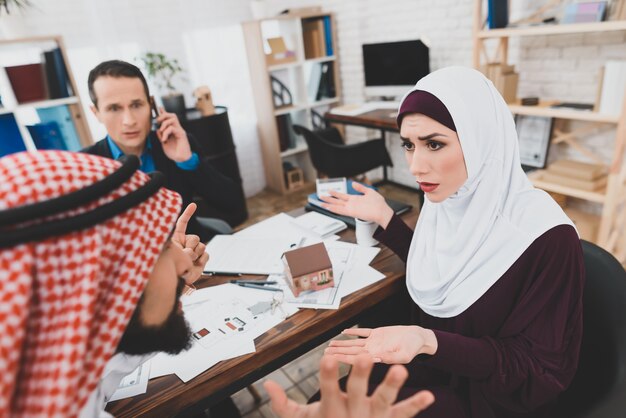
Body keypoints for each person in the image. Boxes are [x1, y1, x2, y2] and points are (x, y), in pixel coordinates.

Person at [0, 150, 433, 418]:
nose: (179, 256)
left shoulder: (62, 383)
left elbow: (104, 362)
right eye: (156, 250)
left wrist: (169, 284)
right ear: (92, 289)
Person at [319, 66, 585, 418]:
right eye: (408, 145)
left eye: (434, 144)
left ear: (481, 139)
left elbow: (538, 370)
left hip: (492, 397)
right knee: (326, 403)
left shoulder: (548, 238)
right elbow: (449, 267)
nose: (415, 166)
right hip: (436, 365)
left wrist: (429, 340)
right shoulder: (450, 200)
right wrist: (385, 218)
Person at [82, 59, 244, 242]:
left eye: (136, 105)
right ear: (96, 113)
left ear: (151, 105)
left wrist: (187, 161)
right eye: (113, 108)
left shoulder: (177, 143)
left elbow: (233, 204)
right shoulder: (86, 165)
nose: (129, 120)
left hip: (191, 253)